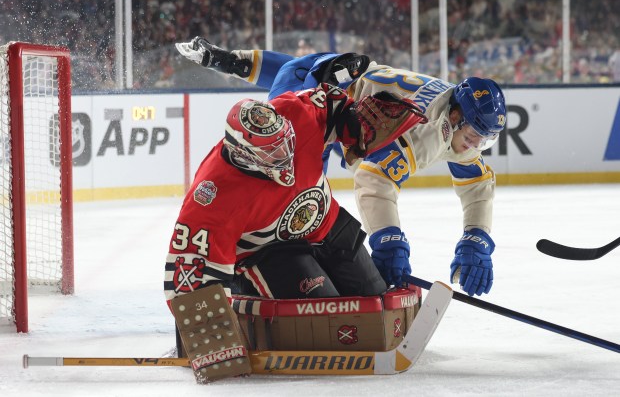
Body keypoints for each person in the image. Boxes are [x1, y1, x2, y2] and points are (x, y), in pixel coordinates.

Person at [175, 38, 507, 297]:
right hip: (322, 105)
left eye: (484, 140)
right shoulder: (428, 132)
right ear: (453, 118)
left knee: (304, 193)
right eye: (475, 135)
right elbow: (374, 178)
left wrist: (476, 239)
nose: (475, 146)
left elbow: (476, 181)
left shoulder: (454, 122)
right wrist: (387, 239)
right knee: (289, 189)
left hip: (334, 85)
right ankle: (250, 268)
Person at [164, 83, 427, 304]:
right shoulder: (214, 193)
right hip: (271, 250)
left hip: (327, 223)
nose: (285, 157)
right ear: (243, 154)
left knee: (374, 296)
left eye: (286, 143)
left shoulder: (293, 112)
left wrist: (355, 123)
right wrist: (208, 332)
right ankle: (245, 290)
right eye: (272, 152)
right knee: (325, 314)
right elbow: (191, 273)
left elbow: (331, 103)